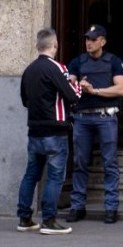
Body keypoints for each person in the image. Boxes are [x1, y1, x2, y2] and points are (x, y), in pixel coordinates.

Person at [17, 28, 83, 235]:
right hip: (55, 131)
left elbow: (25, 100)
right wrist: (78, 85)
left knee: (31, 175)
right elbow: (72, 97)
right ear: (55, 45)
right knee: (55, 177)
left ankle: (25, 217)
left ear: (38, 46)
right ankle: (49, 220)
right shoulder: (58, 68)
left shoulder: (29, 70)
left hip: (34, 130)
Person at [66, 24, 123, 224]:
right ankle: (77, 206)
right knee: (79, 163)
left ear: (103, 41)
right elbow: (67, 84)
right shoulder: (78, 62)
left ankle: (111, 208)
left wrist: (95, 91)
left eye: (93, 39)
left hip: (105, 117)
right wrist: (77, 85)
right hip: (82, 118)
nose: (89, 43)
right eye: (87, 39)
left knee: (110, 163)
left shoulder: (114, 62)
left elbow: (121, 90)